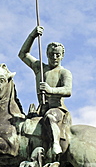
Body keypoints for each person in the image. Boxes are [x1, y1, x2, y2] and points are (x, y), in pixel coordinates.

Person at [18, 26, 72, 157]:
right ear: (47, 54)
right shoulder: (40, 69)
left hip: (57, 109)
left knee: (50, 117)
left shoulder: (64, 72)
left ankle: (55, 145)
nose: (54, 57)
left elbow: (67, 90)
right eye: (51, 54)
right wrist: (32, 36)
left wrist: (50, 90)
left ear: (62, 56)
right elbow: (23, 54)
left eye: (57, 55)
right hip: (40, 109)